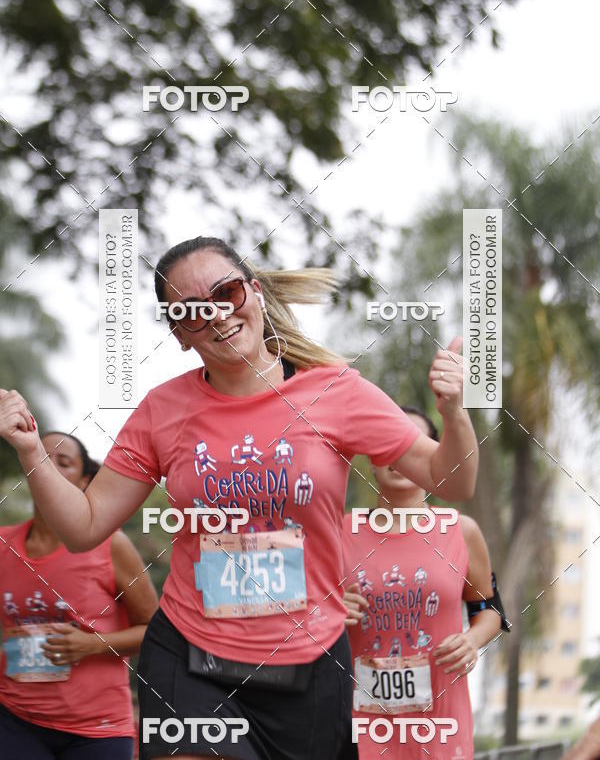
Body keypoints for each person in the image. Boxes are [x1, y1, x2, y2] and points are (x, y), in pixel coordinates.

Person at [0, 235, 480, 760]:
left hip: (313, 663)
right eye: (190, 313)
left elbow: (452, 481)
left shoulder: (334, 391)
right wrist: (31, 452)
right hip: (189, 657)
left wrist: (455, 414)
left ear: (252, 292)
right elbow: (85, 525)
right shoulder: (164, 410)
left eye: (225, 293)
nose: (216, 318)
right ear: (180, 335)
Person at [343, 407, 507, 759]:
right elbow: (302, 613)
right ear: (372, 459)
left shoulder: (461, 531)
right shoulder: (339, 532)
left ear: (433, 458)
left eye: (414, 446)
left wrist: (471, 640)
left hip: (441, 726)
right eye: (389, 445)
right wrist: (329, 609)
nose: (400, 457)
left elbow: (490, 610)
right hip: (356, 728)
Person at [0, 431, 158, 759]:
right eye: (41, 455)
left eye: (63, 462)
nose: (47, 464)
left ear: (85, 481)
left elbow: (155, 631)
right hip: (14, 718)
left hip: (95, 730)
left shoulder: (111, 546)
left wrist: (89, 644)